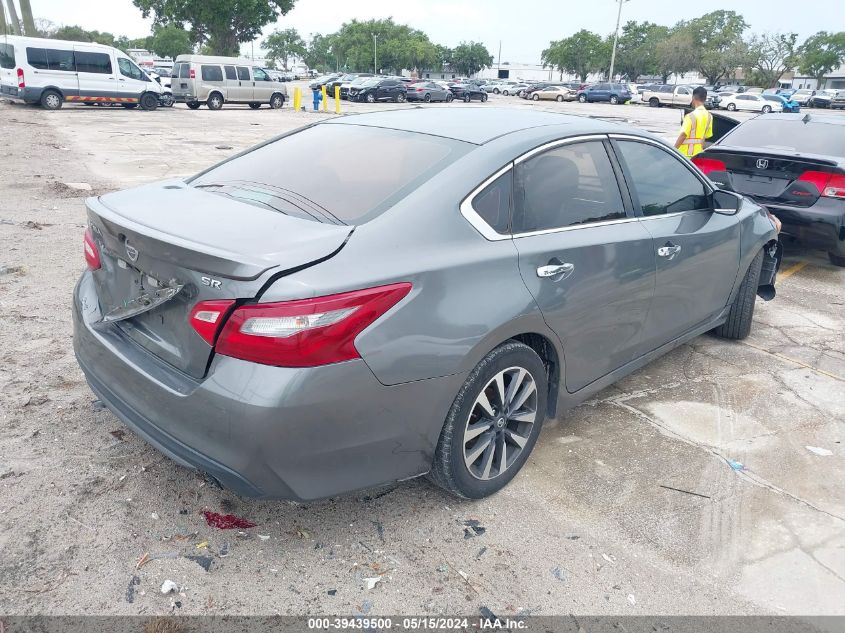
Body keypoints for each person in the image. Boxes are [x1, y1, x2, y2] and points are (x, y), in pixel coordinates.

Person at [675, 86, 713, 158]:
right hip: (698, 155)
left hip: (685, 155)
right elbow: (705, 137)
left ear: (693, 98)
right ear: (704, 99)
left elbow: (683, 135)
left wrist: (674, 150)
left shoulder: (690, 116)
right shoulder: (709, 116)